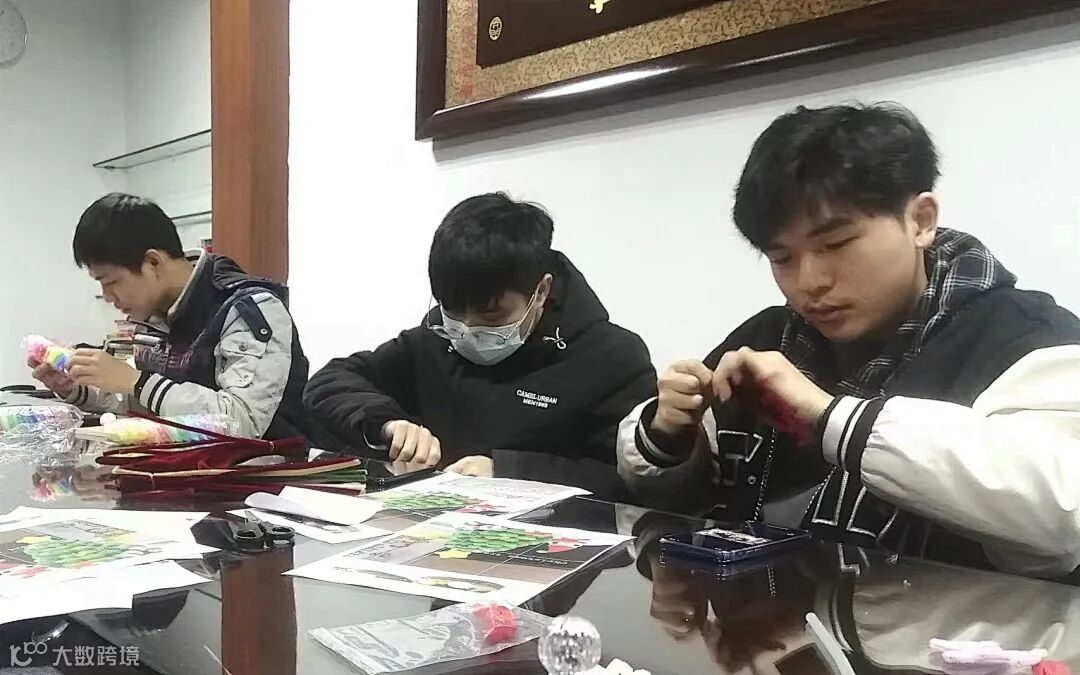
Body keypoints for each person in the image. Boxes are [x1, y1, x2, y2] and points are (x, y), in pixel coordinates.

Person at [617, 103, 1080, 577]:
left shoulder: (1028, 338)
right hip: (758, 612)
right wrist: (667, 434)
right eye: (782, 259)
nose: (809, 282)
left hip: (947, 624)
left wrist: (829, 415)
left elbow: (1064, 513)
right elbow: (670, 497)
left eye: (836, 244)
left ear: (920, 221)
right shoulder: (768, 337)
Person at [304, 192, 655, 497]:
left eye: (491, 314)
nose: (468, 330)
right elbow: (329, 382)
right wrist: (387, 424)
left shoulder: (611, 357)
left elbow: (627, 479)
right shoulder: (436, 338)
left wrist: (507, 471)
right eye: (453, 310)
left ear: (541, 291)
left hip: (547, 538)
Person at [29, 193, 311, 440]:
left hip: (264, 477)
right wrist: (79, 390)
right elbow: (152, 403)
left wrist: (136, 381)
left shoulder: (249, 309)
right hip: (188, 472)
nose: (107, 296)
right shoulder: (155, 315)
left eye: (111, 282)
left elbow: (241, 422)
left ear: (153, 262)